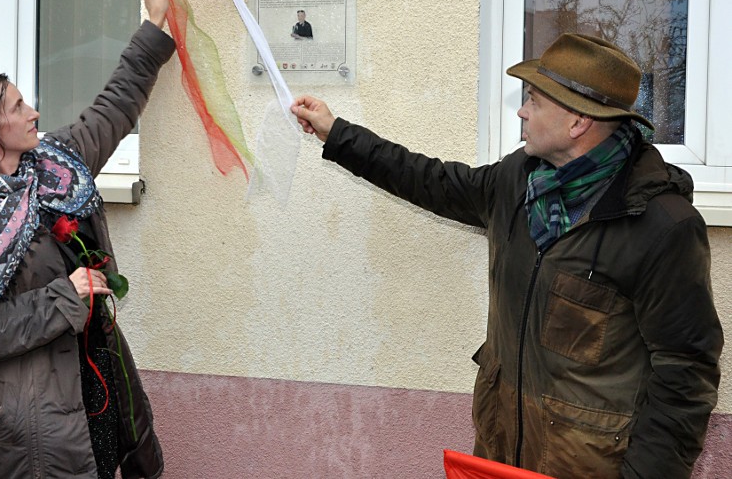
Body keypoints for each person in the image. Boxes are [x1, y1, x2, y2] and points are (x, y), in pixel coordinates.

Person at [291, 33, 723, 478]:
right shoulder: (518, 181)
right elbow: (430, 180)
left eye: (533, 100)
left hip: (586, 468)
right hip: (500, 454)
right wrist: (337, 133)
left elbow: (685, 375)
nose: (521, 111)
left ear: (576, 122)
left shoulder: (662, 224)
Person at [0, 0, 177, 479]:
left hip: (100, 386)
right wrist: (67, 296)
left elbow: (115, 106)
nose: (34, 112)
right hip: (36, 425)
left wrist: (154, 25)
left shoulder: (55, 164)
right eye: (18, 108)